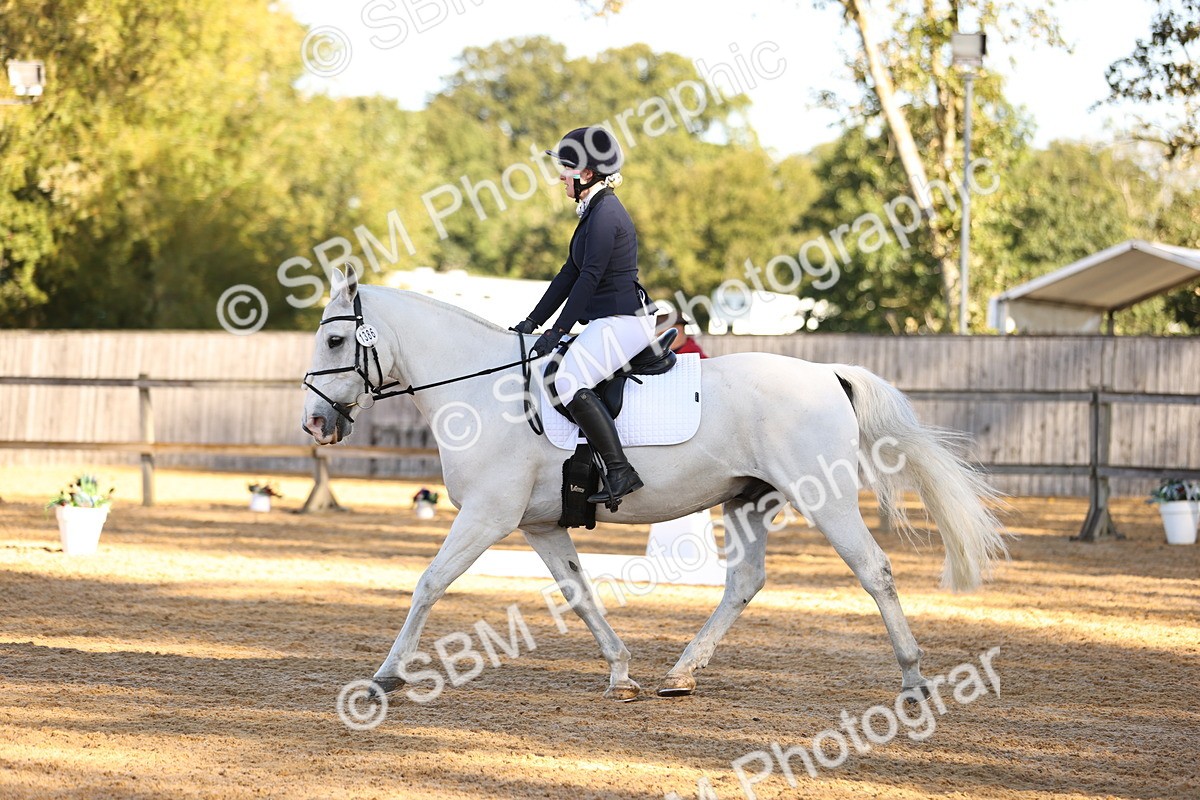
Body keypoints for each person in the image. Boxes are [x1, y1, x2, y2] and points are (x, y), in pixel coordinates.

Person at [513, 126, 657, 509]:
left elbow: (590, 278)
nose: (560, 176)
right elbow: (569, 273)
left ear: (587, 174)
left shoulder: (606, 213)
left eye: (566, 169)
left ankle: (620, 470)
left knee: (567, 380)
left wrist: (557, 329)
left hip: (624, 320)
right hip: (608, 320)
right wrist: (532, 321)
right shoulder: (594, 210)